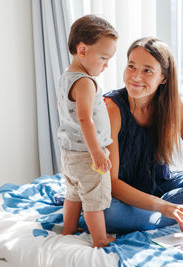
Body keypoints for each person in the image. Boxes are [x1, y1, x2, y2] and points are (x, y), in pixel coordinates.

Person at [103, 37, 183, 234]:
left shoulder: (175, 105)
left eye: (147, 70)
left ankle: (157, 216)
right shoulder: (111, 108)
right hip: (122, 196)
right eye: (131, 66)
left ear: (163, 77)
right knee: (110, 214)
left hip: (158, 186)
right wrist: (164, 207)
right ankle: (167, 214)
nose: (136, 76)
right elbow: (111, 183)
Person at [56, 15, 117, 247]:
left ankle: (69, 229)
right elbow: (84, 118)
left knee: (73, 194)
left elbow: (62, 107)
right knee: (94, 198)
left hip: (69, 152)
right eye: (103, 58)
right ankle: (100, 239)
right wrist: (97, 152)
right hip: (87, 153)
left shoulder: (66, 77)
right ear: (82, 50)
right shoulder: (85, 82)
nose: (106, 64)